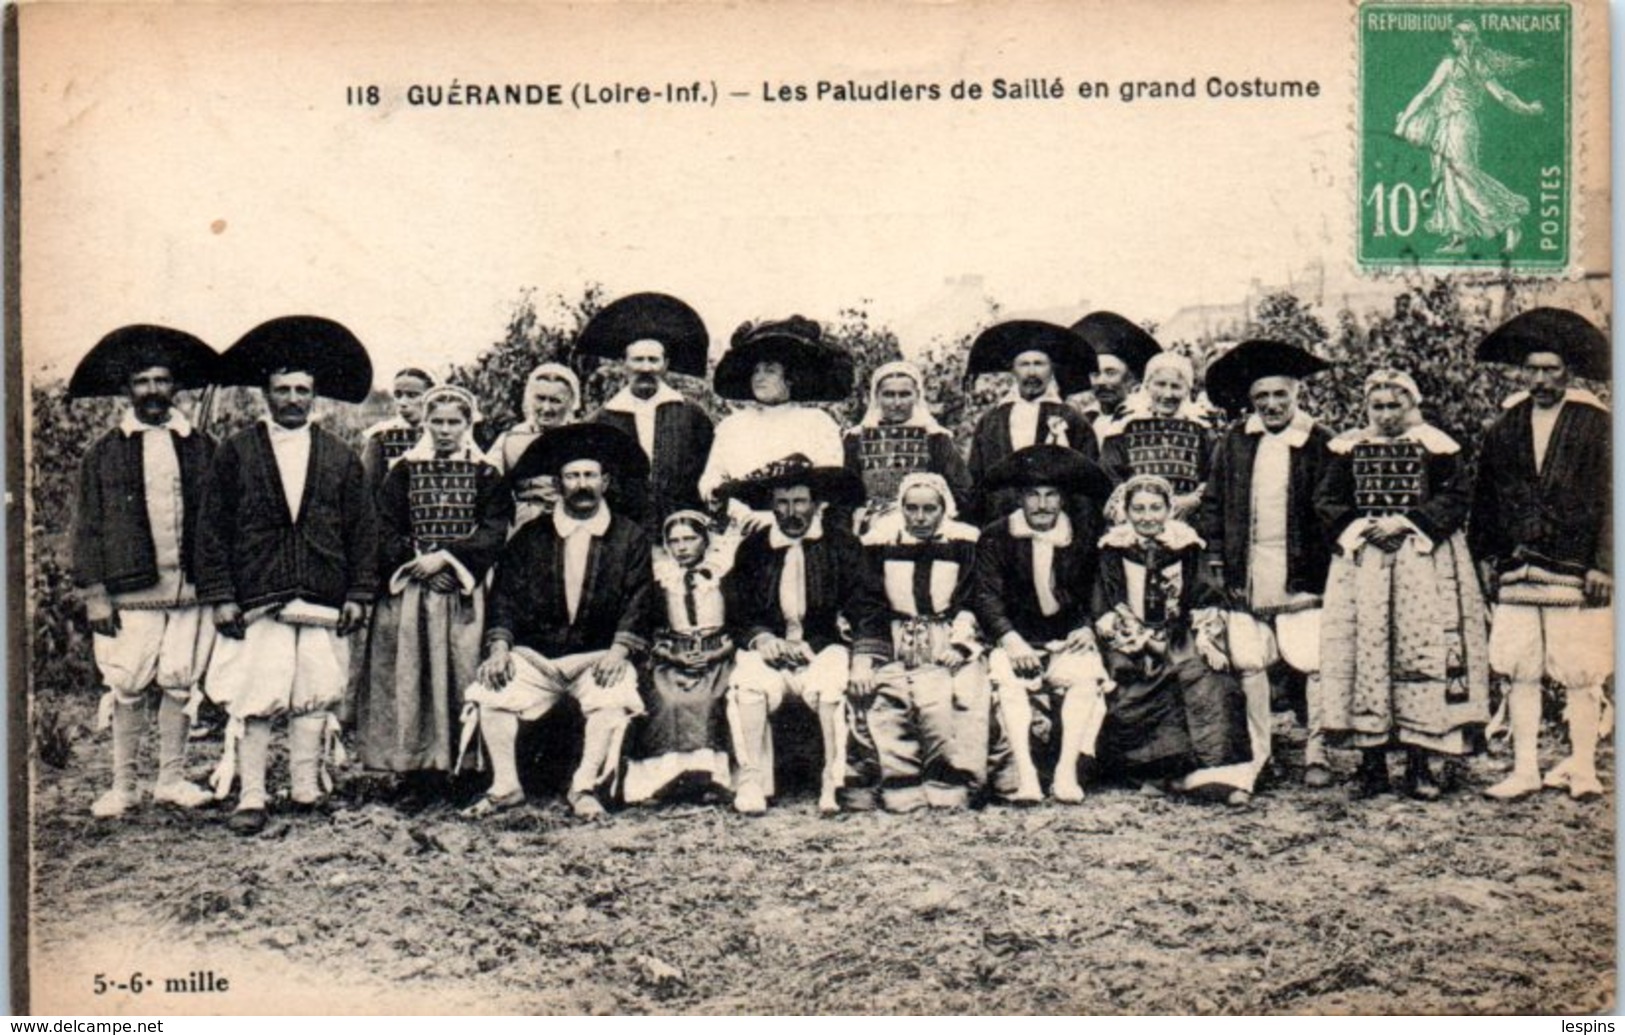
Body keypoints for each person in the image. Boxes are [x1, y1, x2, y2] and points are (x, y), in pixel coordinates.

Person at [195, 316, 378, 835]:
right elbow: (211, 530)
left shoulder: (340, 457)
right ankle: (251, 794)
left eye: (302, 390)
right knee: (259, 692)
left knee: (314, 691)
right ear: (265, 395)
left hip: (323, 592)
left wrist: (359, 592)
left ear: (315, 396)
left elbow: (363, 530)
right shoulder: (236, 452)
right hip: (259, 595)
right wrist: (222, 595)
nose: (293, 399)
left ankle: (304, 787)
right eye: (282, 390)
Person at [459, 423, 654, 819]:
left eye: (589, 476)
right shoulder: (531, 536)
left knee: (612, 699)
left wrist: (619, 652)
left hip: (599, 656)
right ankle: (506, 786)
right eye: (572, 476)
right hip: (538, 658)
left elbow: (640, 599)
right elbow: (506, 599)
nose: (581, 485)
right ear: (558, 483)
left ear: (605, 481)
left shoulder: (629, 536)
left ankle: (583, 787)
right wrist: (499, 649)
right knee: (492, 691)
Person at [68, 325, 221, 817]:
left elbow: (220, 520)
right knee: (128, 683)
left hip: (190, 588)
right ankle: (124, 787)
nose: (153, 390)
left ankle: (171, 780)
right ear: (127, 389)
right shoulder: (104, 451)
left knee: (179, 680)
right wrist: (95, 591)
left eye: (161, 380)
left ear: (175, 387)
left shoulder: (202, 445)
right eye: (142, 381)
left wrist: (218, 585)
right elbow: (86, 525)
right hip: (130, 591)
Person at [1315, 370, 1490, 799]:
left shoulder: (1437, 446)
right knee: (1367, 653)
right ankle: (1370, 765)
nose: (1387, 415)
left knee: (1419, 652)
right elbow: (1326, 499)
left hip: (1421, 560)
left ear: (1412, 405)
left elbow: (1456, 495)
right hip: (1365, 564)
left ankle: (1419, 764)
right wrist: (1362, 527)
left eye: (1396, 405)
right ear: (1366, 408)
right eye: (1378, 406)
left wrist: (1408, 522)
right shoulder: (1348, 448)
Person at [1469, 308, 1613, 801]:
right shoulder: (1504, 427)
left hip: (1576, 567)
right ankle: (1525, 767)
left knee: (1579, 667)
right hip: (1517, 566)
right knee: (1519, 667)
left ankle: (1584, 768)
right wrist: (1486, 557)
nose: (1541, 379)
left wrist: (1605, 563)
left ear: (1567, 371)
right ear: (1521, 372)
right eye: (1532, 369)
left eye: (1551, 369)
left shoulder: (1597, 425)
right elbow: (1485, 497)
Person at [356, 385, 512, 808]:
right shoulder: (404, 470)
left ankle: (466, 770)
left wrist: (449, 561)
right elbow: (383, 524)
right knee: (413, 677)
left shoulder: (486, 474)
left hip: (464, 592)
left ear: (468, 425)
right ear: (426, 423)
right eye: (437, 422)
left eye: (454, 422)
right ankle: (417, 773)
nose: (445, 430)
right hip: (414, 594)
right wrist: (418, 562)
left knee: (463, 674)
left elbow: (495, 528)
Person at [1199, 340, 1335, 789]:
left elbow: (1335, 510)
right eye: (1263, 398)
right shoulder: (1235, 442)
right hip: (1248, 568)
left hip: (1302, 571)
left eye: (1281, 395)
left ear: (1297, 394)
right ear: (1252, 401)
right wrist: (1219, 558)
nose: (1272, 405)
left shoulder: (1321, 442)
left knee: (1313, 661)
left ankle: (1318, 751)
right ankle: (1261, 754)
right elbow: (1215, 505)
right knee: (1250, 662)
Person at [719, 456, 869, 815]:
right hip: (770, 648)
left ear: (816, 504)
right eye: (783, 503)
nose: (791, 511)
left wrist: (858, 654)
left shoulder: (841, 545)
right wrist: (762, 638)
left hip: (823, 646)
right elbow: (737, 608)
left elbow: (866, 605)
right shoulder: (754, 548)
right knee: (746, 682)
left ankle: (832, 781)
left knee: (832, 683)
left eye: (800, 501)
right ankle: (753, 779)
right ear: (772, 506)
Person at [1091, 475, 1253, 804]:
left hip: (1179, 631)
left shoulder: (1187, 546)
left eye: (1155, 508)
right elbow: (1106, 600)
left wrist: (1203, 634)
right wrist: (1136, 635)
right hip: (1129, 634)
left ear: (1169, 509)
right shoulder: (1113, 548)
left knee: (1204, 674)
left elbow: (1205, 595)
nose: (1147, 516)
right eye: (1138, 509)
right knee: (1135, 678)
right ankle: (1156, 771)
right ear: (1126, 511)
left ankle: (1217, 773)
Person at [971, 444, 1115, 803]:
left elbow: (1094, 588)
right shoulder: (996, 535)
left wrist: (1087, 626)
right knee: (1007, 681)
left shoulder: (1080, 535)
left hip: (1067, 635)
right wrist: (1009, 638)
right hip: (1017, 636)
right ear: (1020, 498)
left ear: (1062, 500)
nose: (1042, 505)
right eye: (1033, 495)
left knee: (1085, 676)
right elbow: (986, 595)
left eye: (1051, 496)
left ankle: (1066, 773)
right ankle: (1027, 776)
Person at [851, 472, 986, 811]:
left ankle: (951, 778)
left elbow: (972, 599)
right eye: (912, 509)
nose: (920, 518)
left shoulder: (964, 543)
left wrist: (961, 644)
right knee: (885, 692)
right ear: (902, 509)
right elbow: (870, 604)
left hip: (947, 635)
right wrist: (867, 655)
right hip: (894, 636)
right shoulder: (880, 544)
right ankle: (898, 778)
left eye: (929, 509)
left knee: (958, 694)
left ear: (944, 508)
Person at [1395, 21, 1544, 254]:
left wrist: (1404, 121)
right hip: (1449, 125)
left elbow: (1427, 93)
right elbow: (1503, 95)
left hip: (1460, 125)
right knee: (1448, 179)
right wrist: (1527, 108)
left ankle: (1509, 223)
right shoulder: (1470, 65)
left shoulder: (1458, 64)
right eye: (1453, 38)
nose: (1454, 42)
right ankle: (1459, 237)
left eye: (1457, 38)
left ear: (1467, 40)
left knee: (1464, 177)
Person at [622, 511, 738, 804]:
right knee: (666, 697)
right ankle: (665, 779)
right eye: (674, 541)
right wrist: (669, 654)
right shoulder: (662, 578)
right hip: (673, 654)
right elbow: (648, 625)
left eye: (690, 539)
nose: (682, 547)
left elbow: (742, 619)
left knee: (711, 696)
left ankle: (711, 777)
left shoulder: (724, 574)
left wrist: (722, 650)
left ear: (705, 540)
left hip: (720, 652)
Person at [581, 292, 716, 528]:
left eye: (653, 360)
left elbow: (709, 473)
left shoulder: (692, 415)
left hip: (682, 532)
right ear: (624, 364)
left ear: (666, 365)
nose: (646, 368)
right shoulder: (601, 420)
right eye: (638, 360)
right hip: (621, 533)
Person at [699, 317, 850, 525]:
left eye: (770, 371)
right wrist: (735, 509)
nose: (759, 378)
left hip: (801, 525)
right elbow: (712, 477)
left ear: (790, 379)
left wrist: (786, 517)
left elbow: (829, 482)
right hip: (742, 523)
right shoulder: (731, 426)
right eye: (756, 371)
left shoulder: (818, 423)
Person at [964, 320, 1100, 523]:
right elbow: (976, 477)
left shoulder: (1072, 418)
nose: (1032, 372)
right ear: (1013, 370)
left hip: (1059, 521)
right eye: (1024, 364)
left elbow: (1089, 478)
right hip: (1001, 520)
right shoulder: (992, 420)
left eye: (1039, 364)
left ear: (1051, 370)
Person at [843, 360, 972, 538]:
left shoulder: (936, 439)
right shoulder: (855, 439)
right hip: (869, 530)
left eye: (904, 394)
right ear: (877, 396)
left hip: (925, 531)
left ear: (917, 396)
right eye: (889, 394)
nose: (896, 403)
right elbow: (843, 494)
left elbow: (962, 491)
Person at [1099, 351, 1216, 517]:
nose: (1167, 394)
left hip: (1187, 518)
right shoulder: (1123, 427)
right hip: (1135, 517)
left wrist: (1194, 499)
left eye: (1176, 386)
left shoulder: (1202, 429)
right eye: (1160, 384)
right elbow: (1109, 474)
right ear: (1147, 385)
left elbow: (1215, 475)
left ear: (1187, 390)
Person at [484, 362, 583, 531]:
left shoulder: (584, 437)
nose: (546, 408)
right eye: (540, 398)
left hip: (573, 523)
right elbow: (488, 485)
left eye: (555, 401)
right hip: (525, 525)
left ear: (570, 403)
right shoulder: (511, 438)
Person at [1070, 311, 1163, 442]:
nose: (1101, 381)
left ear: (1130, 379)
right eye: (1096, 374)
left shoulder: (1143, 418)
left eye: (1111, 373)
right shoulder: (1086, 419)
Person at [359, 367, 436, 496]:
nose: (403, 402)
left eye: (412, 395)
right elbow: (366, 487)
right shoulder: (382, 435)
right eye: (398, 395)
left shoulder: (447, 433)